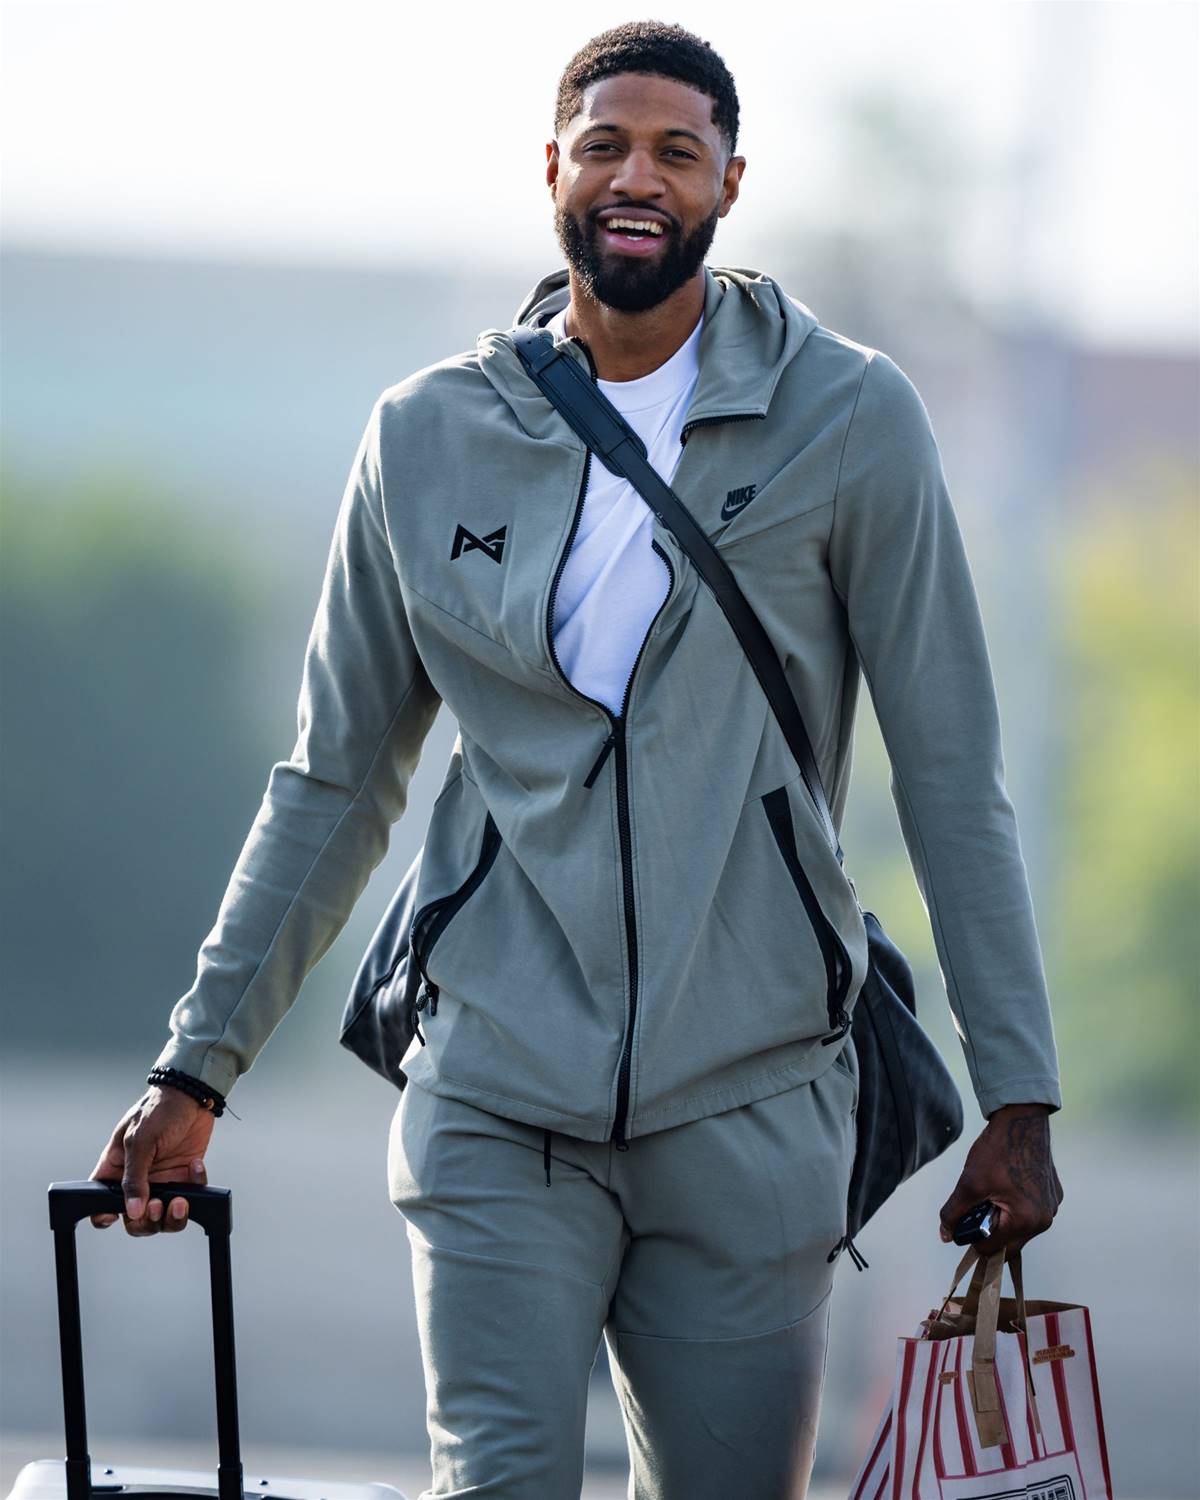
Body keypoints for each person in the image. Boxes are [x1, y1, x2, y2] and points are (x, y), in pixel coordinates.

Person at [88, 20, 1065, 1498]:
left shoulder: (850, 418)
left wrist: (1019, 1091)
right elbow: (333, 782)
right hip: (496, 1086)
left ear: (731, 183)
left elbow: (951, 777)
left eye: (678, 152)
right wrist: (196, 1065)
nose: (637, 178)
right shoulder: (428, 434)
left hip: (753, 1104)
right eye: (605, 146)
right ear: (552, 169)